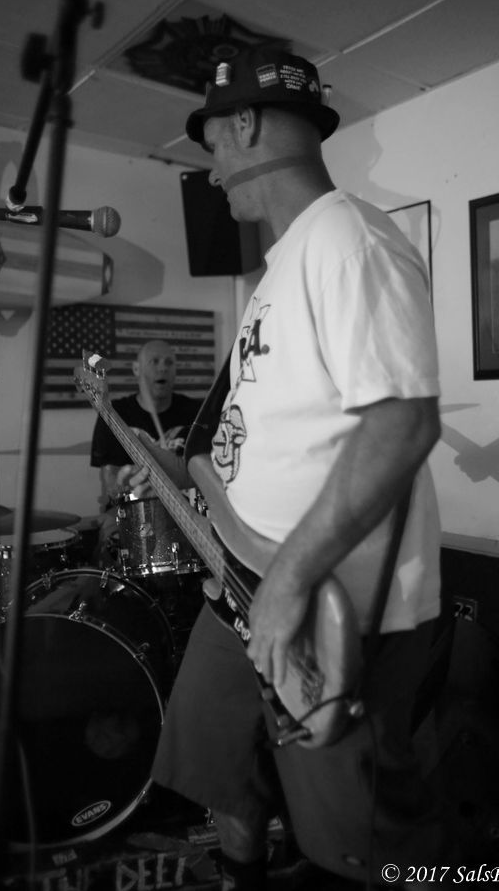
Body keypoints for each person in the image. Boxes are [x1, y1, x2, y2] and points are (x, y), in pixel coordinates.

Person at [125, 48, 445, 890]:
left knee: (358, 847)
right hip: (239, 585)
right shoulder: (277, 272)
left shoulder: (347, 239)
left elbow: (404, 424)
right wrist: (186, 477)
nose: (211, 173)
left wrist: (291, 581)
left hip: (326, 609)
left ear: (245, 123)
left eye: (213, 147)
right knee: (226, 782)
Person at [90, 339, 200, 568]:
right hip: (129, 511)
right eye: (154, 361)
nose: (163, 368)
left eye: (169, 362)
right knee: (112, 544)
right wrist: (127, 483)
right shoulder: (115, 414)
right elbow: (111, 487)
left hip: (184, 510)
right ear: (136, 369)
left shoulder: (196, 412)